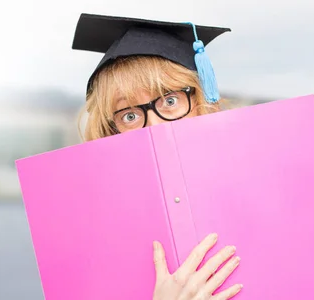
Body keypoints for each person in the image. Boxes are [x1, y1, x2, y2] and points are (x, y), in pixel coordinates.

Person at [71, 13, 243, 299]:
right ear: (110, 131)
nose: (155, 126)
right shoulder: (91, 238)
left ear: (201, 101)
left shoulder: (263, 190)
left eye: (171, 101)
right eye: (129, 115)